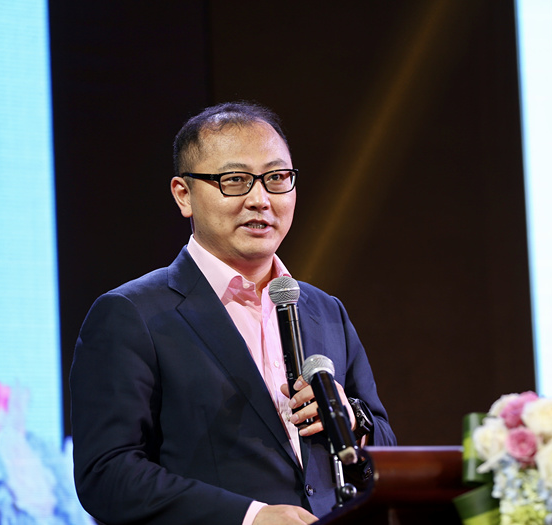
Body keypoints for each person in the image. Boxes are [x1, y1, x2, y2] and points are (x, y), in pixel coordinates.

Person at [69, 102, 396, 525]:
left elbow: (386, 450)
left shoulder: (324, 310)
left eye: (277, 178)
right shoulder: (131, 314)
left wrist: (349, 419)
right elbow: (107, 474)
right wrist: (251, 517)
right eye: (235, 180)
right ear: (183, 194)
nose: (260, 200)